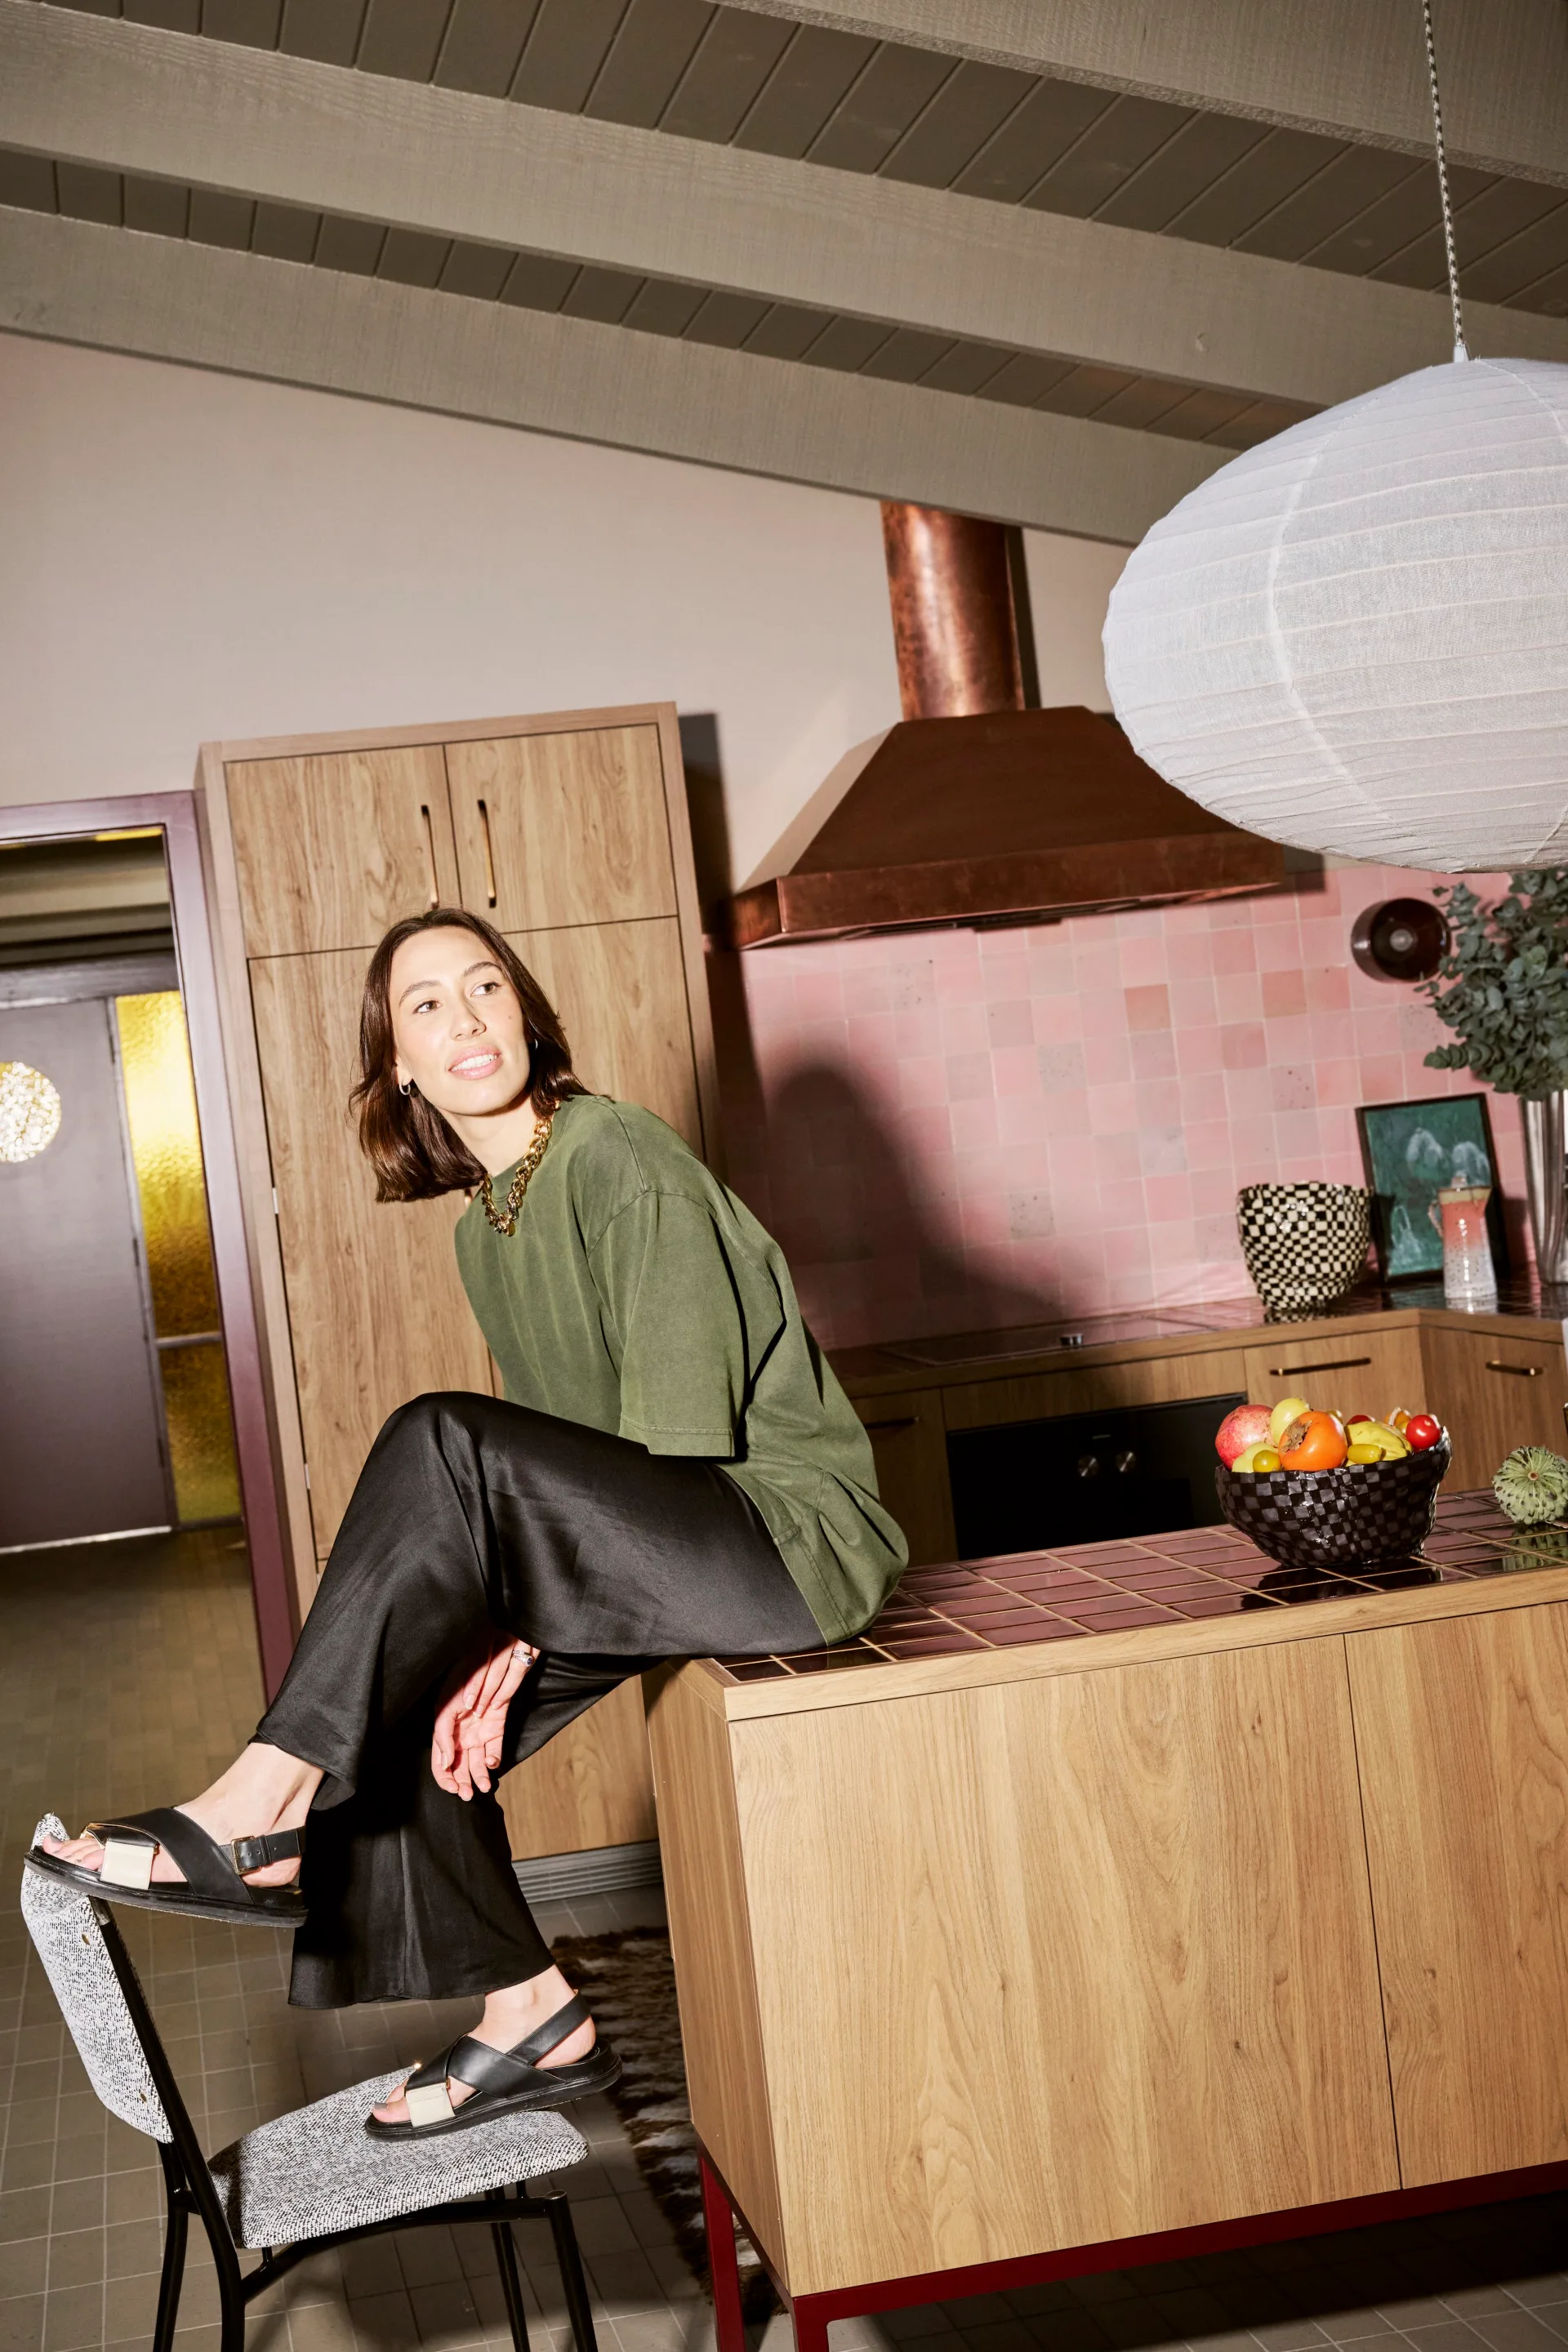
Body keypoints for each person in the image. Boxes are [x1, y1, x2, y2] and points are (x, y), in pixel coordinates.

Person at [33, 907, 906, 2137]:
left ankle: (249, 1809)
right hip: (656, 1543)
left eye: (484, 985)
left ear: (526, 1012)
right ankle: (531, 2014)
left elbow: (668, 1450)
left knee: (438, 1434)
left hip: (784, 1540)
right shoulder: (485, 1226)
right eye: (426, 1005)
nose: (465, 1018)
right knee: (398, 1711)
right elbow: (562, 1475)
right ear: (399, 1059)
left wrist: (522, 1637)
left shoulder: (619, 1157)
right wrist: (488, 1638)